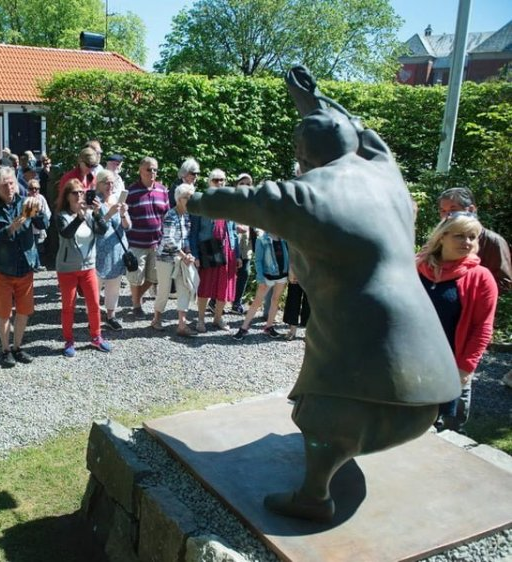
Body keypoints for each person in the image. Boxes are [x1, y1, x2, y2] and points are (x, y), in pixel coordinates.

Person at [188, 68, 459, 522]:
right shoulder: (384, 171)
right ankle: (344, 445)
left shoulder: (307, 193)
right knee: (342, 397)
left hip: (362, 331)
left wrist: (190, 201)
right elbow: (360, 130)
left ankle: (314, 496)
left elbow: (244, 200)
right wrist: (312, 99)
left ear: (302, 157)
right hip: (430, 369)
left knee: (321, 413)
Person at [417, 212, 497, 432]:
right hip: (409, 362)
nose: (467, 242)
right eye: (460, 236)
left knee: (439, 431)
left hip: (448, 366)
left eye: (472, 236)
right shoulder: (417, 267)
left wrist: (465, 368)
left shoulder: (481, 277)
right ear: (442, 236)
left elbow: (482, 328)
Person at [0, 167, 45, 368]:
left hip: (25, 266)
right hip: (3, 268)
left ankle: (17, 347)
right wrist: (11, 228)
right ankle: (5, 349)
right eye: (4, 184)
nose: (9, 187)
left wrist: (38, 210)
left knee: (24, 311)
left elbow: (43, 225)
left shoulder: (24, 203)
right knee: (4, 313)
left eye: (11, 183)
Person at [55, 179, 113, 357]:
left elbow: (102, 230)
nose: (79, 195)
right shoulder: (61, 215)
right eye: (75, 193)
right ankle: (68, 340)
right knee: (68, 306)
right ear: (67, 196)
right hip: (67, 268)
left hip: (88, 267)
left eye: (82, 192)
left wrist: (96, 213)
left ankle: (96, 337)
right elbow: (66, 233)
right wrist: (79, 217)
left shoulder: (88, 214)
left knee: (94, 304)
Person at [436, 187, 511, 294]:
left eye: (453, 210)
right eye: (443, 211)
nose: (447, 216)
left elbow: (504, 284)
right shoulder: (440, 238)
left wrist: (469, 292)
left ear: (471, 210)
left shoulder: (493, 241)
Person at [190, 170, 239, 332]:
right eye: (215, 180)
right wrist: (195, 254)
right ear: (209, 182)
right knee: (205, 286)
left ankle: (218, 318)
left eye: (222, 180)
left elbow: (233, 230)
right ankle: (201, 320)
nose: (219, 183)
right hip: (209, 246)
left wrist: (236, 254)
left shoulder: (230, 203)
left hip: (227, 248)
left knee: (224, 287)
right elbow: (194, 231)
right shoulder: (202, 201)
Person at [151, 183, 198, 337]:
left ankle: (182, 325)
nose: (190, 200)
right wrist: (184, 255)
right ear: (178, 199)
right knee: (164, 290)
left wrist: (189, 253)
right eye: (187, 197)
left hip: (180, 258)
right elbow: (169, 239)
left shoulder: (186, 216)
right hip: (165, 258)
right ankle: (156, 319)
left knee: (184, 287)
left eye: (192, 197)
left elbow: (186, 239)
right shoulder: (171, 215)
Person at [125, 157, 170, 318]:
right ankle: (137, 306)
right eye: (149, 169)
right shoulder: (131, 191)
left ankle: (136, 298)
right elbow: (124, 216)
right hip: (137, 242)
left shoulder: (162, 190)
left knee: (154, 277)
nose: (152, 173)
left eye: (155, 169)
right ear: (140, 170)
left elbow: (167, 215)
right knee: (136, 277)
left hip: (157, 243)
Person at [232, 231, 289, 339]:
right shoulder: (261, 240)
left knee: (275, 300)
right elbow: (258, 261)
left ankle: (269, 327)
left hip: (282, 275)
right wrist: (261, 279)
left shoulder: (284, 238)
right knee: (256, 302)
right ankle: (243, 328)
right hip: (267, 277)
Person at [94, 170, 131, 331]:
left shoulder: (118, 200)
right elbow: (94, 226)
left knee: (114, 285)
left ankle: (111, 316)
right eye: (106, 182)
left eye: (112, 183)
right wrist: (110, 213)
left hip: (117, 249)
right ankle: (93, 316)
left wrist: (123, 214)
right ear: (99, 184)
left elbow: (128, 226)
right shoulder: (95, 202)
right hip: (98, 249)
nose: (109, 186)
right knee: (95, 286)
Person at [231, 173, 255, 314]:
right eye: (242, 183)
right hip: (232, 241)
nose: (245, 186)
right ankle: (215, 302)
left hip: (247, 243)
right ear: (237, 184)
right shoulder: (231, 200)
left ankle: (236, 303)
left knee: (245, 272)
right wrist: (235, 226)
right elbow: (224, 221)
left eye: (248, 183)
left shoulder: (252, 202)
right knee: (229, 272)